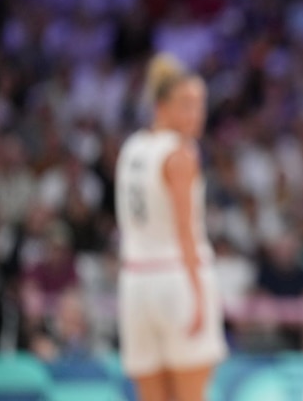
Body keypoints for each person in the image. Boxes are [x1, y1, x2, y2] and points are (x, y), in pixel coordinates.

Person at [115, 53, 226, 401]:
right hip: (177, 277)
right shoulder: (181, 152)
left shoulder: (131, 147)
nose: (197, 113)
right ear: (160, 105)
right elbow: (186, 231)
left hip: (134, 282)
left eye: (200, 104)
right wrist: (197, 294)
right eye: (187, 104)